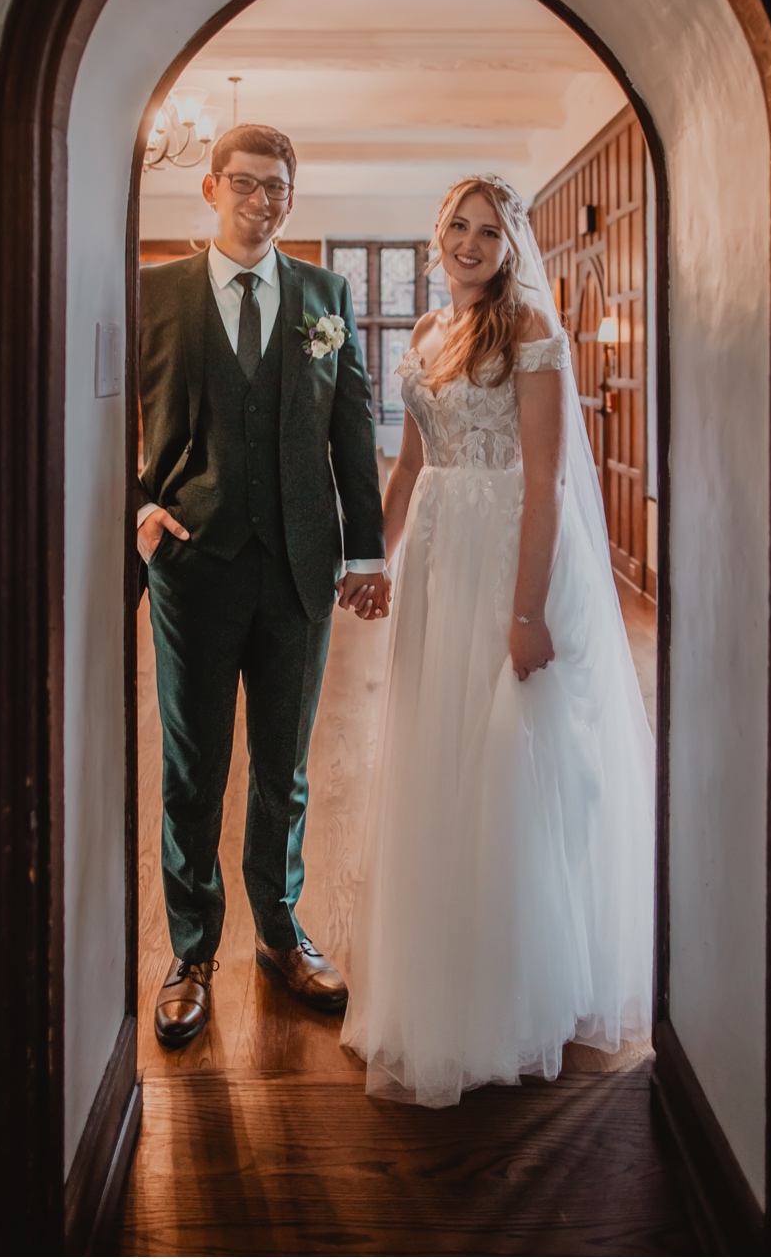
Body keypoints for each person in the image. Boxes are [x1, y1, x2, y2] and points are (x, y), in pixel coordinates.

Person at [339, 175, 654, 1107]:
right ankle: (442, 967)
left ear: (511, 245)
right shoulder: (430, 334)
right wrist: (375, 561)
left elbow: (549, 481)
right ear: (438, 234)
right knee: (438, 749)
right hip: (438, 554)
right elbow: (408, 466)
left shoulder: (528, 331)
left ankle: (518, 993)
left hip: (506, 553)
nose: (470, 244)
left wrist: (527, 612)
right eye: (457, 227)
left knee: (509, 752)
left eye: (488, 231)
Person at [135, 124, 390, 1048]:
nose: (262, 199)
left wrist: (366, 552)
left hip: (297, 571)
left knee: (283, 766)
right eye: (244, 182)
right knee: (193, 770)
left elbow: (352, 430)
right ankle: (192, 951)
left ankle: (281, 935)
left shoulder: (326, 296)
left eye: (278, 186)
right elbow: (97, 409)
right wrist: (138, 510)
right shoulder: (152, 293)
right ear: (209, 189)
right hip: (193, 568)